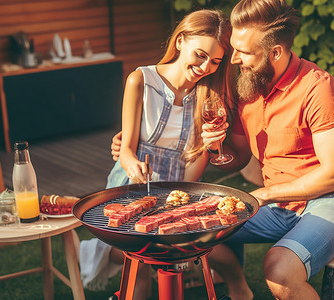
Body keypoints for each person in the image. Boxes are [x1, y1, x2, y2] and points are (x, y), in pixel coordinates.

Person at [199, 0, 334, 299]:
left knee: (279, 270)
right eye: (234, 48)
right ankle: (241, 293)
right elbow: (237, 159)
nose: (235, 58)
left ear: (275, 52)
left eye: (244, 51)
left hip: (333, 201)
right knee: (194, 233)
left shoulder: (319, 90)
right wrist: (214, 147)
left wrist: (265, 194)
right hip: (281, 207)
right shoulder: (250, 87)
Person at [78, 9, 235, 299]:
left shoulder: (208, 97)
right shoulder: (140, 80)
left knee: (189, 247)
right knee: (137, 260)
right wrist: (134, 164)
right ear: (180, 41)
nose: (205, 67)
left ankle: (239, 290)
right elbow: (125, 149)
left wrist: (210, 148)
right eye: (200, 55)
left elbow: (191, 174)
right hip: (131, 184)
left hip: (175, 189)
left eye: (215, 61)